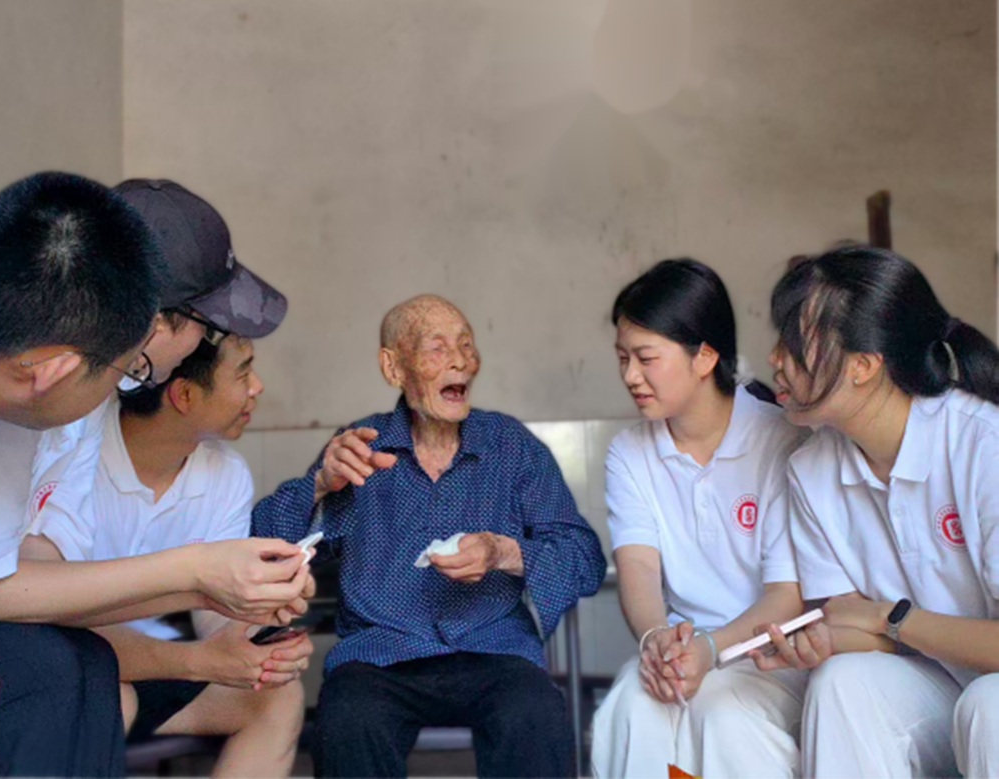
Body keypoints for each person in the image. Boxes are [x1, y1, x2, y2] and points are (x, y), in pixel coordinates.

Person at [0, 173, 309, 779]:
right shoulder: (17, 421)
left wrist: (210, 588)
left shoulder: (30, 404)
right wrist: (195, 575)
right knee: (61, 673)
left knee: (73, 666)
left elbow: (13, 581)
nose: (123, 394)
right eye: (126, 370)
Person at [252, 294, 606, 779]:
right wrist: (317, 486)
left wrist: (504, 551)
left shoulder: (512, 447)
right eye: (437, 348)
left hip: (493, 647)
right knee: (347, 721)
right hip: (380, 656)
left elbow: (584, 559)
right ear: (393, 367)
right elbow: (264, 549)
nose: (460, 360)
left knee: (535, 714)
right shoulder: (361, 448)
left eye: (466, 345)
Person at [759, 244, 999, 779]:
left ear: (863, 366)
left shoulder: (983, 445)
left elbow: (880, 620)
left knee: (991, 705)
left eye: (793, 342)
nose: (775, 358)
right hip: (939, 688)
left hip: (990, 698)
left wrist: (893, 617)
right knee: (842, 681)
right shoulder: (811, 470)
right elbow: (853, 620)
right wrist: (820, 642)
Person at [30, 335, 308, 779]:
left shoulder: (225, 473)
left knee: (277, 696)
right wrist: (201, 658)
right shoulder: (74, 455)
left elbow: (214, 612)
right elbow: (50, 616)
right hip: (74, 666)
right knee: (108, 697)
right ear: (183, 394)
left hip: (166, 663)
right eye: (242, 373)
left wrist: (256, 633)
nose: (256, 387)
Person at [588, 259, 809, 779]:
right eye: (622, 358)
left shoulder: (782, 441)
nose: (630, 376)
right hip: (681, 651)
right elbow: (639, 567)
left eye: (646, 358)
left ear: (705, 356)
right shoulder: (629, 453)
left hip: (766, 657)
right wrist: (655, 640)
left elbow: (787, 594)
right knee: (631, 705)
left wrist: (711, 649)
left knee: (723, 713)